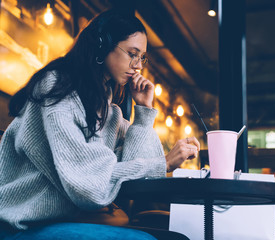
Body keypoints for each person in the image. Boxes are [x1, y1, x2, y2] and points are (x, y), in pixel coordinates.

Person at [0, 9, 200, 240]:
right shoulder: (56, 89)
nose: (138, 66)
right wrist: (163, 162)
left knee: (176, 237)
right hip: (20, 227)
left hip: (61, 221)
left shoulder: (108, 112)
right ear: (102, 45)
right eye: (132, 53)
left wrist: (144, 113)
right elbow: (88, 187)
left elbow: (143, 173)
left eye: (142, 57)